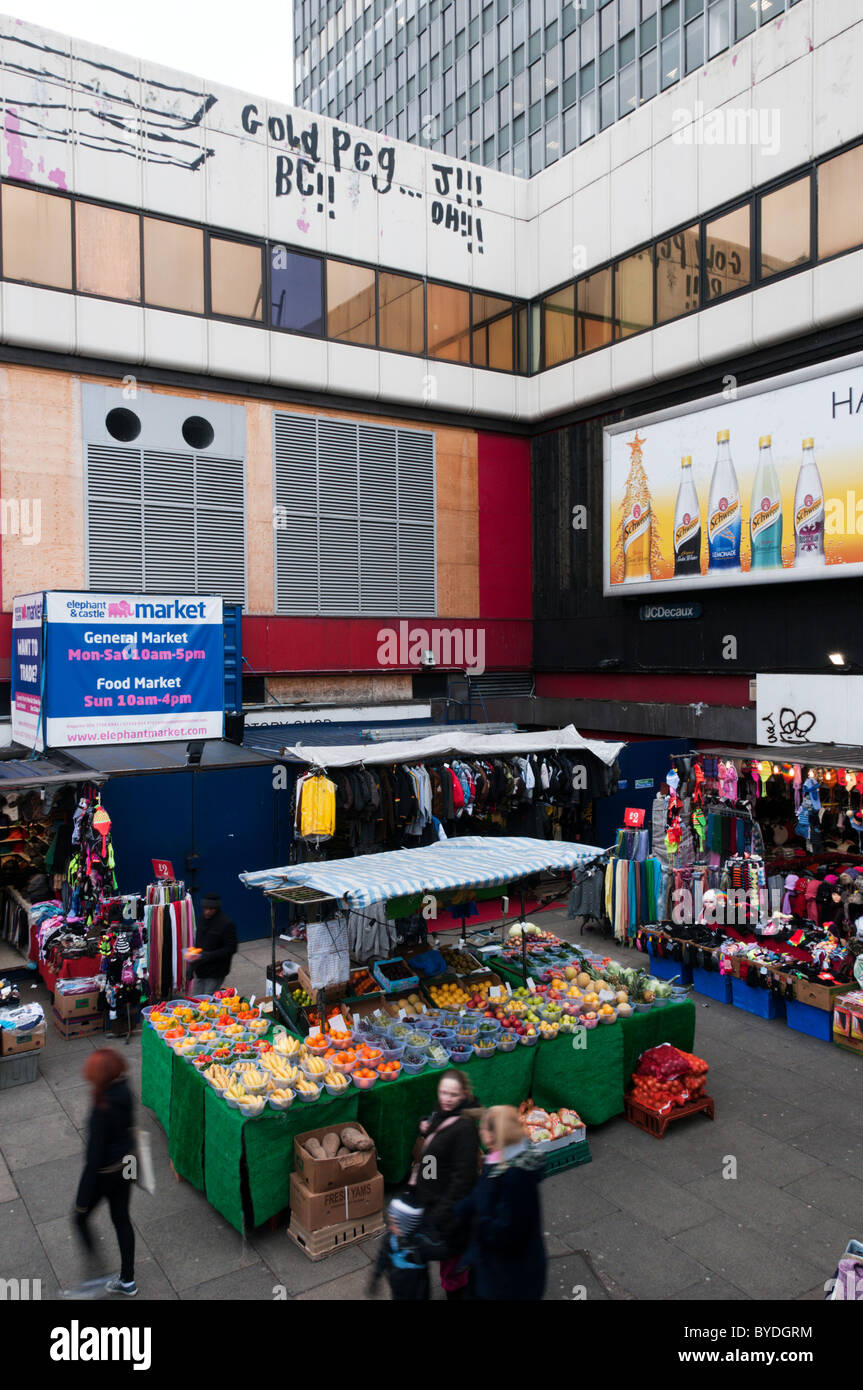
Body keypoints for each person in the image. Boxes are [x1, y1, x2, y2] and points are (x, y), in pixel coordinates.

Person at [455, 1104, 547, 1301]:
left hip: (510, 1278)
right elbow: (482, 1194)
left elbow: (508, 1231)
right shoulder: (500, 1159)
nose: (480, 1131)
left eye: (482, 1128)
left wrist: (479, 1222)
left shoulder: (515, 1176)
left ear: (491, 1136)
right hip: (499, 1268)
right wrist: (458, 1211)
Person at [71, 1049, 137, 1297]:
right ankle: (127, 1280)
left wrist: (82, 1200)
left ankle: (96, 1277)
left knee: (79, 1219)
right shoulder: (125, 1091)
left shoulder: (102, 1108)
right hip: (128, 1164)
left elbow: (94, 1158)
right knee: (121, 1219)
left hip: (107, 1172)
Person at [410, 1068, 480, 1300]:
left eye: (452, 1094)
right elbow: (435, 1149)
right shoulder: (442, 1112)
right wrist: (427, 1126)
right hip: (434, 1204)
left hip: (450, 1214)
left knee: (453, 1270)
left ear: (463, 1095)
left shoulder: (465, 1129)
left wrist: (442, 1212)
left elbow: (463, 1179)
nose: (446, 1099)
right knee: (448, 1264)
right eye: (443, 1093)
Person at [368, 1196, 447, 1301]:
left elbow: (442, 1251)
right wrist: (376, 1277)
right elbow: (382, 1257)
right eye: (390, 1222)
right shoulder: (390, 1238)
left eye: (394, 1223)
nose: (390, 1227)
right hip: (397, 1285)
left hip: (418, 1289)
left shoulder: (421, 1245)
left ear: (406, 1225)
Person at [189, 892, 237, 995]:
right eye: (205, 908)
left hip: (216, 971)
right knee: (196, 998)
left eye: (211, 909)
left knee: (208, 1001)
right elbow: (198, 945)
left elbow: (231, 948)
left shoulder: (226, 923)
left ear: (217, 908)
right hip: (200, 969)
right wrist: (191, 966)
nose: (207, 911)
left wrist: (209, 955)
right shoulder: (201, 919)